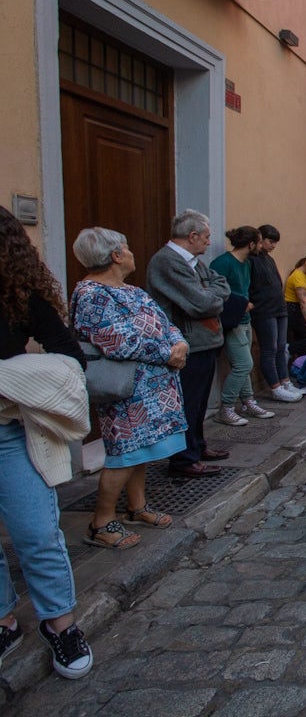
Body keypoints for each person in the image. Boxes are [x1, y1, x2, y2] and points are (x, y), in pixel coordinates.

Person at [0, 207, 94, 679]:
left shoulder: (18, 294)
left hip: (6, 432)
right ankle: (4, 620)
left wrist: (9, 378)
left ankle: (61, 624)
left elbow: (71, 359)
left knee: (36, 531)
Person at [71, 227, 188, 551]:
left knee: (143, 451)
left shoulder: (133, 291)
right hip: (126, 392)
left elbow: (165, 323)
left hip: (152, 387)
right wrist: (168, 353)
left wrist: (178, 341)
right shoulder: (91, 294)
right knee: (123, 455)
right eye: (127, 247)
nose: (132, 252)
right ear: (115, 255)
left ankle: (137, 507)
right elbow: (116, 341)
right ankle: (100, 522)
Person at [145, 209, 231, 478]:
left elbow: (222, 286)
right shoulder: (168, 262)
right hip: (186, 343)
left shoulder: (194, 262)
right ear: (192, 236)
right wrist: (211, 299)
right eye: (206, 237)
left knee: (199, 402)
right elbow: (201, 303)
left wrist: (210, 297)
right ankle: (183, 459)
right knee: (187, 402)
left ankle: (197, 445)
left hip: (204, 342)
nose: (209, 241)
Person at [210, 226, 274, 426]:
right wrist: (239, 306)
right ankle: (226, 407)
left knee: (245, 364)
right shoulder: (222, 263)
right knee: (244, 364)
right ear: (251, 244)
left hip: (245, 320)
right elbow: (215, 293)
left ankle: (248, 401)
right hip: (232, 321)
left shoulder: (247, 264)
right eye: (259, 241)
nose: (262, 245)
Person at [248, 224, 302, 403]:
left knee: (280, 347)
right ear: (259, 239)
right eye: (270, 241)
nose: (273, 246)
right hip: (264, 310)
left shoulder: (269, 259)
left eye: (275, 243)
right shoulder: (251, 259)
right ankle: (275, 387)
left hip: (279, 308)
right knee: (269, 349)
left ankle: (285, 381)